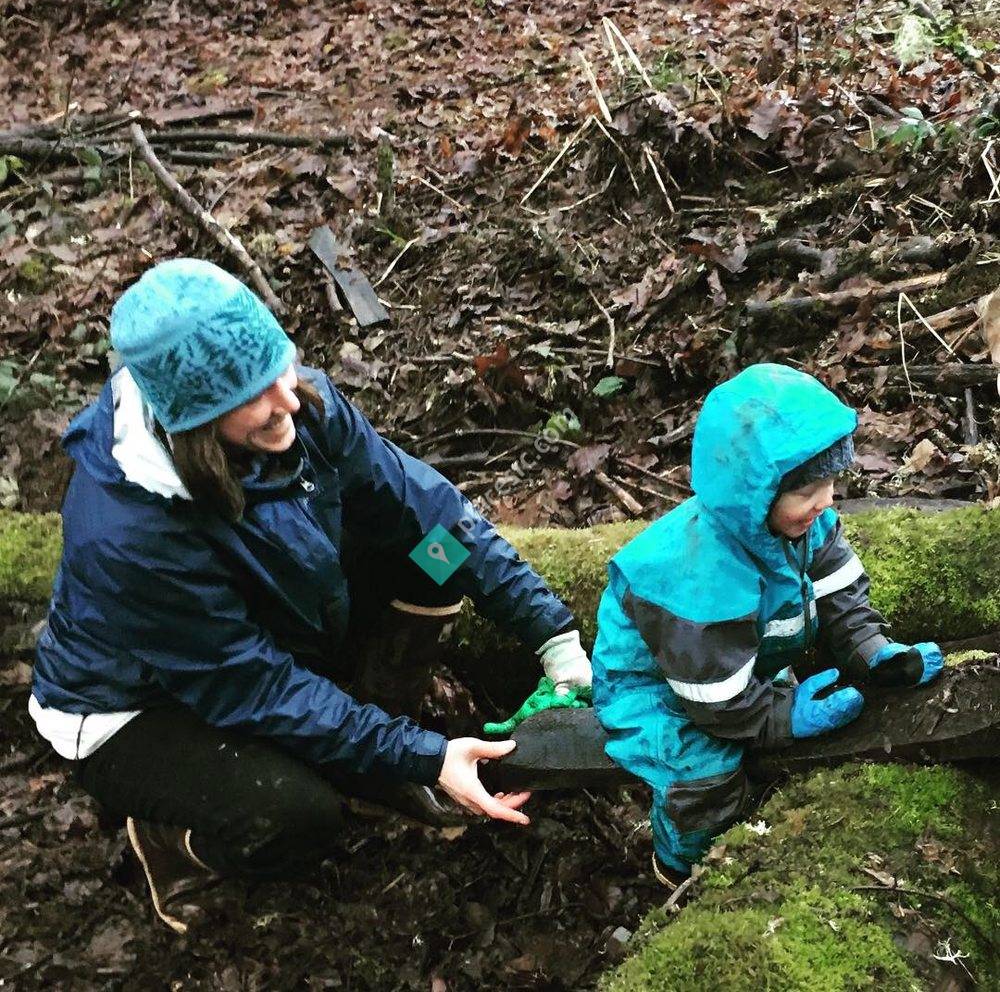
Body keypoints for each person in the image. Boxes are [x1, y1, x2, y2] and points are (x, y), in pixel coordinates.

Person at [29, 258, 593, 934]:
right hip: (141, 705)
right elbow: (258, 688)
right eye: (255, 393)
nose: (289, 400)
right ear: (194, 419)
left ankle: (375, 739)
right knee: (296, 815)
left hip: (270, 623)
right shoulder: (130, 537)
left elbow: (428, 517)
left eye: (282, 367)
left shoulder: (300, 404)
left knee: (433, 560)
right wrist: (425, 755)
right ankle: (175, 843)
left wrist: (552, 635)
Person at [591, 364, 943, 887]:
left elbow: (839, 594)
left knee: (772, 733)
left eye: (831, 482)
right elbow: (715, 699)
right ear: (754, 493)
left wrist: (872, 649)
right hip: (659, 688)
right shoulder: (698, 580)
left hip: (737, 664)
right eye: (808, 490)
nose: (827, 500)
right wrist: (782, 716)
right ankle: (681, 867)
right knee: (705, 776)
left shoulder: (806, 525)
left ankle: (758, 782)